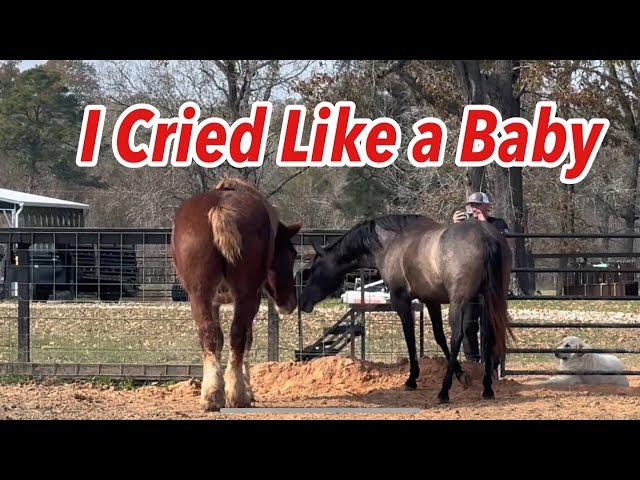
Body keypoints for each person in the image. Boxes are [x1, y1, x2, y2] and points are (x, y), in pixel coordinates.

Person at [452, 192, 509, 363]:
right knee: (467, 324)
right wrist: (455, 226)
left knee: (490, 325)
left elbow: (502, 241)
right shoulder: (465, 227)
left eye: (477, 204)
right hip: (470, 284)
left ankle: (490, 364)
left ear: (487, 206)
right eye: (471, 205)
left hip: (492, 284)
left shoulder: (497, 223)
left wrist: (483, 221)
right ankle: (472, 362)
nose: (473, 208)